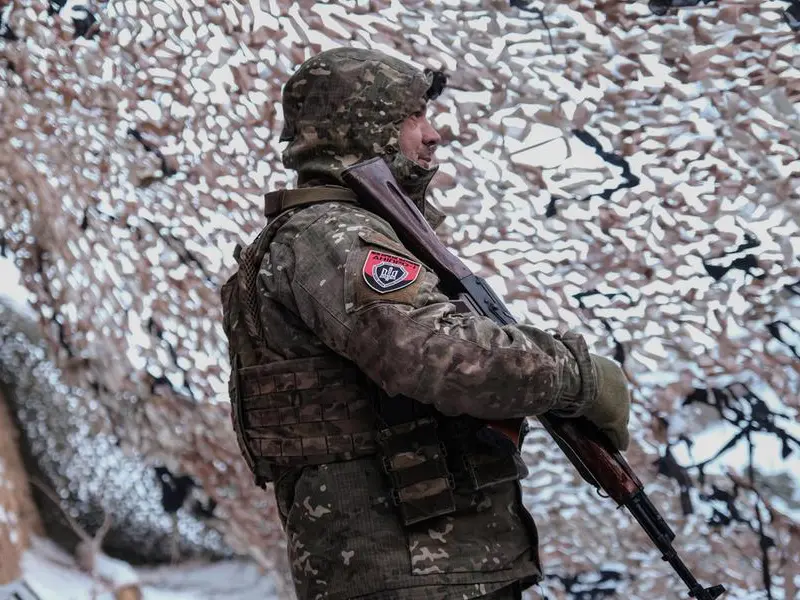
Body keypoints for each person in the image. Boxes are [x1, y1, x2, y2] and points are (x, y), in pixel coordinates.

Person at [221, 47, 631, 600]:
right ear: (360, 127)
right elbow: (437, 353)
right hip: (413, 565)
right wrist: (578, 376)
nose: (433, 134)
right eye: (411, 117)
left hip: (428, 563)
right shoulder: (332, 234)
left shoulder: (340, 231)